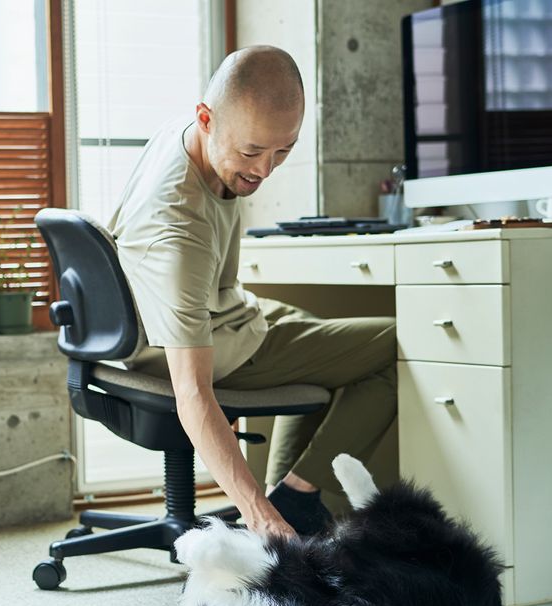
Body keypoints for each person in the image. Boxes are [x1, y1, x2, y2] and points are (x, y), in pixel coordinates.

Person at [108, 45, 397, 540]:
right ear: (207, 119)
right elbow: (192, 394)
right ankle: (293, 503)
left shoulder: (190, 132)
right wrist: (255, 512)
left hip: (216, 315)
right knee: (399, 342)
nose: (264, 170)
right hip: (198, 343)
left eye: (282, 151)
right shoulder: (178, 232)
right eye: (250, 152)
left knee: (328, 339)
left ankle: (294, 495)